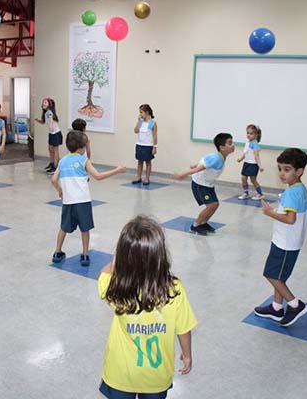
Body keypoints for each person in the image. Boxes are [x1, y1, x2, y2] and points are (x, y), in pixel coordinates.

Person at [98, 215, 197, 399]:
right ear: (160, 255)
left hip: (120, 373)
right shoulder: (174, 290)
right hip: (156, 376)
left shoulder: (114, 288)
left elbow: (105, 271)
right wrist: (187, 354)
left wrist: (119, 257)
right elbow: (184, 329)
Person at [51, 131, 126, 266]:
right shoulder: (83, 160)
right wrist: (117, 170)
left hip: (68, 202)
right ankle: (85, 255)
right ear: (81, 147)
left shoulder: (62, 161)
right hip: (83, 201)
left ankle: (57, 252)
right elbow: (98, 176)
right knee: (85, 229)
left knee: (64, 227)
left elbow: (53, 179)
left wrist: (60, 190)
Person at [255, 148, 307, 327]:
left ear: (299, 171)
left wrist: (270, 212)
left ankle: (295, 304)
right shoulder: (298, 189)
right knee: (280, 276)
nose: (281, 174)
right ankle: (277, 308)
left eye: (287, 169)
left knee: (271, 274)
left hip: (286, 243)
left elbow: (290, 218)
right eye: (280, 169)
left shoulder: (293, 192)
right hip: (286, 241)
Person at [173, 133, 235, 235]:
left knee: (215, 205)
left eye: (232, 143)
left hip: (208, 184)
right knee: (211, 205)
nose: (233, 145)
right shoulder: (217, 158)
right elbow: (200, 168)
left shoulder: (219, 156)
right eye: (229, 143)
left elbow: (205, 160)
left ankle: (203, 223)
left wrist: (195, 164)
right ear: (222, 147)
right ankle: (195, 226)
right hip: (200, 185)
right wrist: (183, 174)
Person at [237, 124, 265, 200]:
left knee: (253, 180)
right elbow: (246, 153)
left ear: (256, 135)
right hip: (246, 163)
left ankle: (260, 194)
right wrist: (241, 158)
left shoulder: (255, 144)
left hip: (253, 164)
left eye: (251, 133)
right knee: (243, 178)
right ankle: (246, 193)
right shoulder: (248, 142)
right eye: (248, 133)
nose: (249, 135)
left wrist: (260, 166)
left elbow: (257, 156)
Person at [132, 104, 158, 186]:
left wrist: (155, 147)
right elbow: (135, 131)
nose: (140, 114)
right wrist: (138, 121)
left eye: (141, 112)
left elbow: (155, 136)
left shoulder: (153, 123)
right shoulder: (141, 122)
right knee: (139, 162)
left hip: (148, 146)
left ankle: (147, 178)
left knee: (148, 162)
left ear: (147, 113)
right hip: (139, 144)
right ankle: (138, 177)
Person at [36, 97, 62, 174]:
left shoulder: (49, 112)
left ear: (50, 104)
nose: (43, 104)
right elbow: (44, 122)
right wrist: (38, 120)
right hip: (52, 133)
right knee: (50, 149)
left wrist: (51, 127)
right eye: (43, 102)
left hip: (56, 133)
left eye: (45, 102)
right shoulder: (46, 113)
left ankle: (56, 166)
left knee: (55, 150)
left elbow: (50, 120)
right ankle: (52, 163)